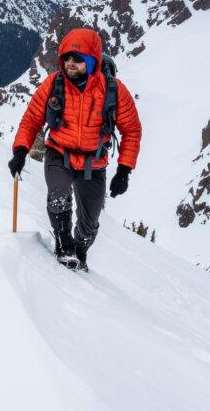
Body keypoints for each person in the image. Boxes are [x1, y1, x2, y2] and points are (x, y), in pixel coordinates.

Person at [8, 27, 142, 271]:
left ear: (92, 62)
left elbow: (132, 130)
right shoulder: (54, 84)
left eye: (78, 59)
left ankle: (80, 250)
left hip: (95, 162)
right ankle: (64, 246)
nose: (70, 63)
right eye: (67, 57)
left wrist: (124, 169)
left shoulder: (114, 91)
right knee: (58, 197)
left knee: (89, 223)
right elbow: (32, 119)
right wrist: (20, 151)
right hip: (59, 152)